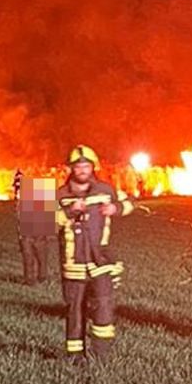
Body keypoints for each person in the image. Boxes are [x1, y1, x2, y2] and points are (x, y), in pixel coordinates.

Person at [54, 144, 134, 358]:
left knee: (104, 307)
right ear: (71, 168)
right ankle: (74, 356)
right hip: (74, 263)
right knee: (75, 311)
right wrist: (71, 211)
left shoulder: (106, 190)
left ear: (93, 167)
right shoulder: (59, 194)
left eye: (86, 166)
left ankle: (102, 354)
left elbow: (129, 203)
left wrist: (115, 208)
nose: (82, 170)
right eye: (78, 166)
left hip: (101, 261)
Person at [16, 175, 55, 285]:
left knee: (40, 256)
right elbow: (19, 217)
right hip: (27, 233)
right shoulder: (22, 201)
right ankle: (29, 279)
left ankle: (41, 278)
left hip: (38, 232)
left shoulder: (40, 196)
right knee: (28, 256)